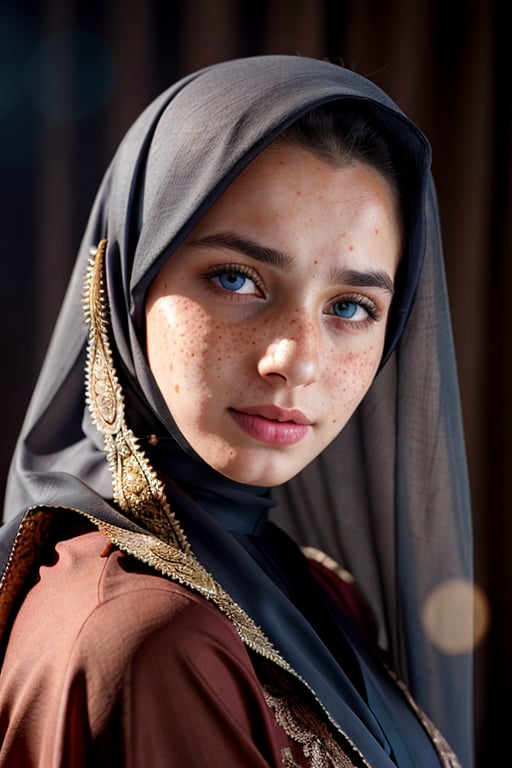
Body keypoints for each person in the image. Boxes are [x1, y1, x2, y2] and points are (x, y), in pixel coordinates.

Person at [0, 55, 473, 767]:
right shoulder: (153, 638)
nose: (297, 360)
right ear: (128, 280)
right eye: (236, 278)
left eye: (351, 306)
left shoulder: (322, 592)